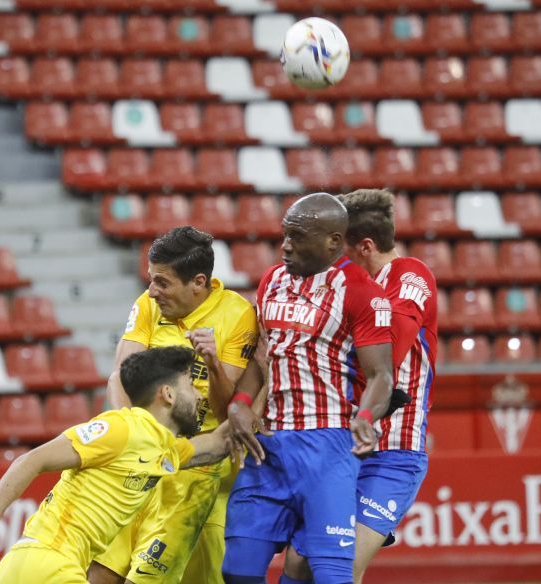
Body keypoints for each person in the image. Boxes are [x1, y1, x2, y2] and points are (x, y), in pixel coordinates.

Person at [0, 346, 236, 584]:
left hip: (27, 567)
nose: (199, 395)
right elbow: (33, 459)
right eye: (190, 384)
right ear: (168, 394)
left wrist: (259, 394)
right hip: (47, 564)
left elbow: (216, 445)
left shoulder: (164, 448)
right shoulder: (122, 427)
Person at [222, 193, 396, 584]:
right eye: (284, 234)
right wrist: (241, 403)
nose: (285, 245)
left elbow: (382, 375)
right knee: (237, 568)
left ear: (334, 241)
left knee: (330, 575)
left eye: (296, 236)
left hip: (330, 448)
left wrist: (366, 416)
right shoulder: (271, 280)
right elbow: (262, 357)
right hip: (269, 445)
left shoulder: (362, 292)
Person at [281, 189, 439, 584]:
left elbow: (396, 345)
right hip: (338, 449)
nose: (332, 258)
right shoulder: (338, 286)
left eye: (340, 247)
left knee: (340, 567)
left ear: (364, 246)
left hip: (392, 452)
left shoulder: (409, 275)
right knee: (298, 566)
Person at [89, 226, 258, 584]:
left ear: (198, 282)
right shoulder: (148, 306)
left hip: (199, 469)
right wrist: (135, 440)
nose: (152, 291)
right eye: (151, 280)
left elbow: (230, 406)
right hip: (144, 462)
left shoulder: (238, 316)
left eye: (162, 282)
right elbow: (120, 377)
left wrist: (212, 363)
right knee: (101, 572)